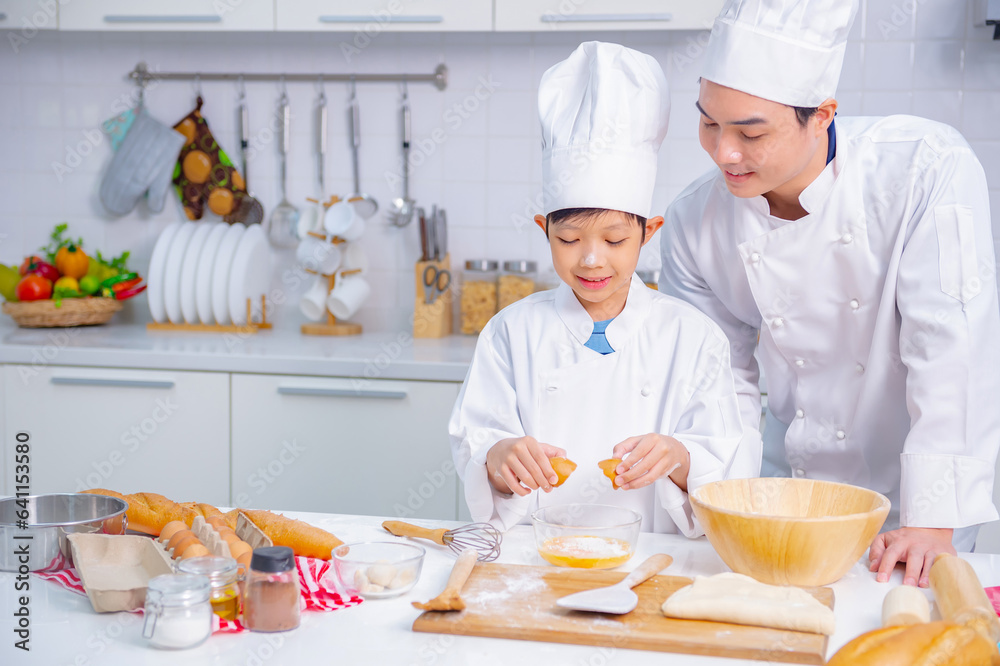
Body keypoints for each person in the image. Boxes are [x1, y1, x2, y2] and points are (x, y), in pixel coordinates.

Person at [660, 0, 1000, 586]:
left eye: (750, 132)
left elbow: (953, 349)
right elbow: (716, 384)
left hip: (914, 510)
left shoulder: (924, 169)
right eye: (709, 123)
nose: (723, 153)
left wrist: (934, 518)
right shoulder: (694, 222)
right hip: (778, 497)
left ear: (822, 115)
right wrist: (722, 502)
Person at [449, 42, 747, 536]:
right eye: (568, 239)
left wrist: (678, 457)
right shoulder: (511, 332)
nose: (591, 259)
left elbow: (723, 466)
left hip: (653, 558)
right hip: (534, 557)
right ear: (544, 229)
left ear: (649, 232)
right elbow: (476, 446)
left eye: (614, 239)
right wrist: (498, 461)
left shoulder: (691, 337)